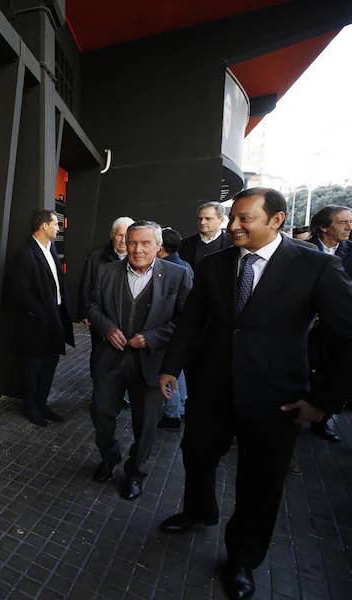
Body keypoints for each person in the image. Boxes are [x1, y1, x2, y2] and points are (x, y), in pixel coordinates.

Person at [157, 188, 352, 600]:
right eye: (233, 218)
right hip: (212, 390)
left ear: (277, 220)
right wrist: (170, 367)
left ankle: (243, 558)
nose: (234, 226)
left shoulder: (315, 267)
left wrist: (322, 402)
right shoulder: (213, 266)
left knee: (260, 483)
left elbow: (346, 337)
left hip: (276, 398)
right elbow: (191, 322)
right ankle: (199, 510)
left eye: (245, 219)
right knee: (196, 454)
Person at [87, 221, 192, 500]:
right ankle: (109, 458)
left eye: (146, 243)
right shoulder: (106, 271)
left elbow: (187, 321)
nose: (137, 249)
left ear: (158, 246)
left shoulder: (177, 276)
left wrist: (152, 337)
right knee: (101, 415)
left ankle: (135, 473)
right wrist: (106, 328)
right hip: (111, 360)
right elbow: (93, 306)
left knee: (145, 426)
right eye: (132, 242)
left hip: (151, 363)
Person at [10, 209, 74, 426]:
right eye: (56, 224)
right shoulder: (26, 254)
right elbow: (20, 292)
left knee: (51, 362)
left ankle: (42, 404)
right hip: (36, 322)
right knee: (34, 365)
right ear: (44, 226)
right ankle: (31, 408)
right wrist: (40, 313)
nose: (58, 228)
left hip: (55, 317)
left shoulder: (51, 248)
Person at [307, 204, 352, 441]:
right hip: (304, 326)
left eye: (350, 222)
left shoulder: (351, 252)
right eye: (343, 222)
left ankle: (321, 419)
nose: (349, 227)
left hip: (336, 328)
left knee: (337, 373)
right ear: (324, 226)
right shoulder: (302, 249)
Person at [155, 228, 192, 430]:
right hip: (179, 332)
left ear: (160, 247)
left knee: (169, 371)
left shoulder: (169, 271)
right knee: (178, 371)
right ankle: (179, 409)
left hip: (168, 332)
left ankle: (171, 414)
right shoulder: (185, 265)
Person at [77, 217, 133, 326]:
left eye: (126, 236)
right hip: (101, 316)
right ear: (112, 235)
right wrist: (84, 313)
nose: (123, 240)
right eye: (119, 235)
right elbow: (86, 285)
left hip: (127, 318)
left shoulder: (138, 257)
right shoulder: (96, 256)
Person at [178, 201, 232, 271]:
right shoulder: (184, 244)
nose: (202, 222)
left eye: (208, 218)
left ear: (221, 220)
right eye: (200, 218)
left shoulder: (232, 243)